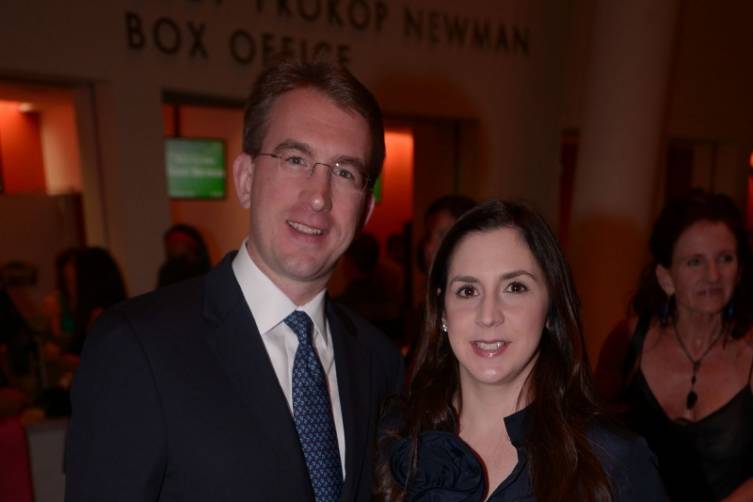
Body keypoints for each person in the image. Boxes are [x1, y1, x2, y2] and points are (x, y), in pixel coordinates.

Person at [64, 60, 404, 502]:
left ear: (366, 212)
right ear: (245, 179)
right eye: (295, 159)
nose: (318, 196)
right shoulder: (136, 348)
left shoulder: (379, 362)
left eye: (344, 172)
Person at [376, 200, 666, 501]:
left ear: (551, 306)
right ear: (442, 311)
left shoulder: (613, 460)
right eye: (468, 291)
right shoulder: (392, 437)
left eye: (514, 288)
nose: (488, 315)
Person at [607, 190, 753, 501]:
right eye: (695, 261)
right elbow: (591, 440)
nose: (713, 275)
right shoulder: (628, 340)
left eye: (725, 259)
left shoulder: (750, 350)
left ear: (739, 270)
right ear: (665, 276)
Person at [156, 224, 212, 288]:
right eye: (172, 244)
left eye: (177, 241)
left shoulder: (205, 269)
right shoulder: (167, 273)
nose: (175, 247)